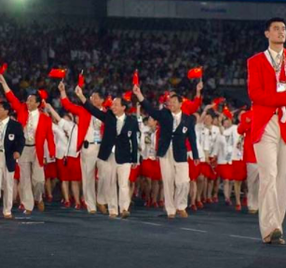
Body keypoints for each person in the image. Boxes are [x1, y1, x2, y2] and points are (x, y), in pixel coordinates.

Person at [247, 17, 286, 244]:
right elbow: (255, 94)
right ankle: (269, 227)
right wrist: (285, 96)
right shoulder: (255, 61)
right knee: (269, 176)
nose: (281, 32)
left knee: (283, 179)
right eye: (276, 29)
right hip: (265, 123)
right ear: (267, 34)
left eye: (283, 28)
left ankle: (277, 227)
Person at [134, 83, 201, 219]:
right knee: (168, 181)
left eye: (174, 102)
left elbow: (192, 138)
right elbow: (150, 110)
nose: (170, 104)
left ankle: (181, 206)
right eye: (169, 102)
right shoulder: (164, 114)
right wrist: (139, 95)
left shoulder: (188, 119)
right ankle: (171, 209)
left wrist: (195, 155)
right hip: (165, 152)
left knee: (183, 181)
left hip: (181, 153)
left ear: (181, 104)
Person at [75, 86, 138, 218]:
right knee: (110, 183)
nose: (112, 106)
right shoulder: (109, 116)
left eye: (116, 104)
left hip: (124, 156)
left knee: (123, 184)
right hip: (108, 155)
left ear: (123, 107)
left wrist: (134, 159)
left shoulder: (132, 121)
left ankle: (124, 208)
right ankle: (113, 210)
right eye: (112, 104)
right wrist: (81, 96)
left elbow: (134, 141)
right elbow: (92, 109)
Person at [0, 74, 55, 214]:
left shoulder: (45, 119)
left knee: (39, 180)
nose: (27, 102)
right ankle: (28, 206)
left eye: (30, 101)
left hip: (37, 149)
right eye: (27, 100)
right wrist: (4, 83)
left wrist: (51, 153)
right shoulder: (22, 109)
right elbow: (11, 98)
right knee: (24, 179)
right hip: (23, 149)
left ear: (37, 103)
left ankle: (38, 198)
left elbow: (50, 137)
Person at [59, 81, 106, 214]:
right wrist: (63, 91)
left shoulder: (108, 113)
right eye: (91, 97)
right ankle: (91, 205)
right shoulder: (84, 110)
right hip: (88, 148)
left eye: (95, 97)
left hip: (103, 148)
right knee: (87, 177)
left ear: (102, 100)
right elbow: (67, 105)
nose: (92, 99)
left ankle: (102, 200)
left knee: (104, 176)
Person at [46, 104, 82, 208]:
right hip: (66, 157)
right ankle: (67, 199)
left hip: (78, 156)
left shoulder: (84, 128)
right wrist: (49, 109)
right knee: (65, 179)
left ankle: (78, 201)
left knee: (75, 180)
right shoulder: (71, 127)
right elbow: (56, 119)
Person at [237, 109, 259, 214]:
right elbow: (240, 130)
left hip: (265, 151)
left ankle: (262, 204)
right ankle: (252, 204)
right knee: (252, 181)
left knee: (264, 182)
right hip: (251, 153)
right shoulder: (245, 115)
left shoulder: (270, 112)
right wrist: (248, 123)